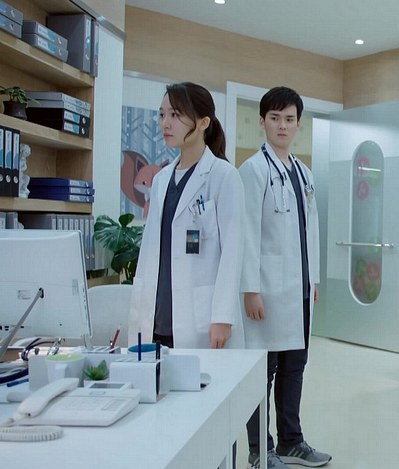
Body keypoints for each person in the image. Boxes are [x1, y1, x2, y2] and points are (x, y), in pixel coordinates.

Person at [238, 86, 331, 468]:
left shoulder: (303, 173)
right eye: (274, 118)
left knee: (295, 368)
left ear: (298, 125)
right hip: (266, 291)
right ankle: (260, 449)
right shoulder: (253, 170)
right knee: (263, 371)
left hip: (298, 291)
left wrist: (314, 280)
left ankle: (292, 441)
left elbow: (311, 231)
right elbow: (246, 233)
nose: (282, 125)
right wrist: (250, 289)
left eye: (289, 119)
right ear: (262, 122)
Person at [129, 81, 245, 351]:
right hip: (158, 312)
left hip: (201, 317)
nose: (165, 123)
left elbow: (233, 252)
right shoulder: (161, 180)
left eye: (176, 115)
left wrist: (223, 316)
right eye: (162, 115)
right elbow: (150, 250)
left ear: (204, 122)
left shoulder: (224, 176)